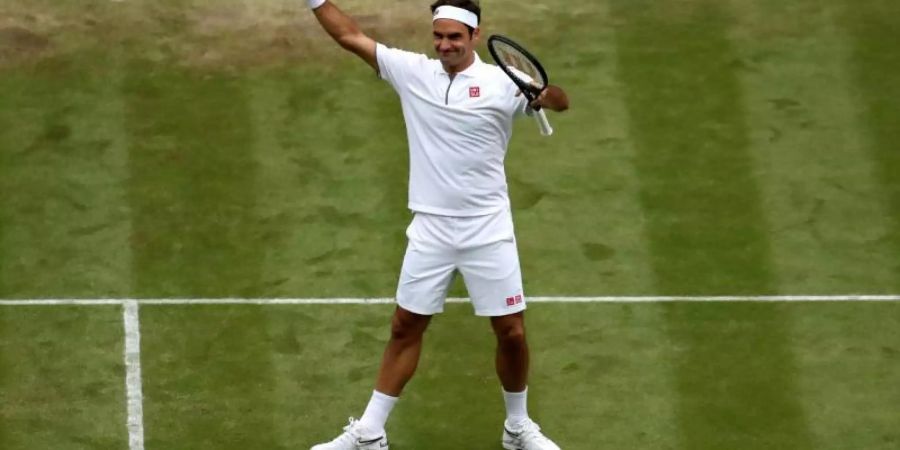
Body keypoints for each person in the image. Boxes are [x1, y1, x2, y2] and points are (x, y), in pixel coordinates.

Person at [305, 0, 569, 448]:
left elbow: (561, 101)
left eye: (454, 37)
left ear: (475, 37)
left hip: (488, 227)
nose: (445, 45)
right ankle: (369, 433)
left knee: (512, 331)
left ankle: (518, 427)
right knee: (405, 326)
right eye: (439, 36)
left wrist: (543, 94)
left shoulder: (502, 81)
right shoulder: (413, 72)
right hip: (431, 228)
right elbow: (350, 36)